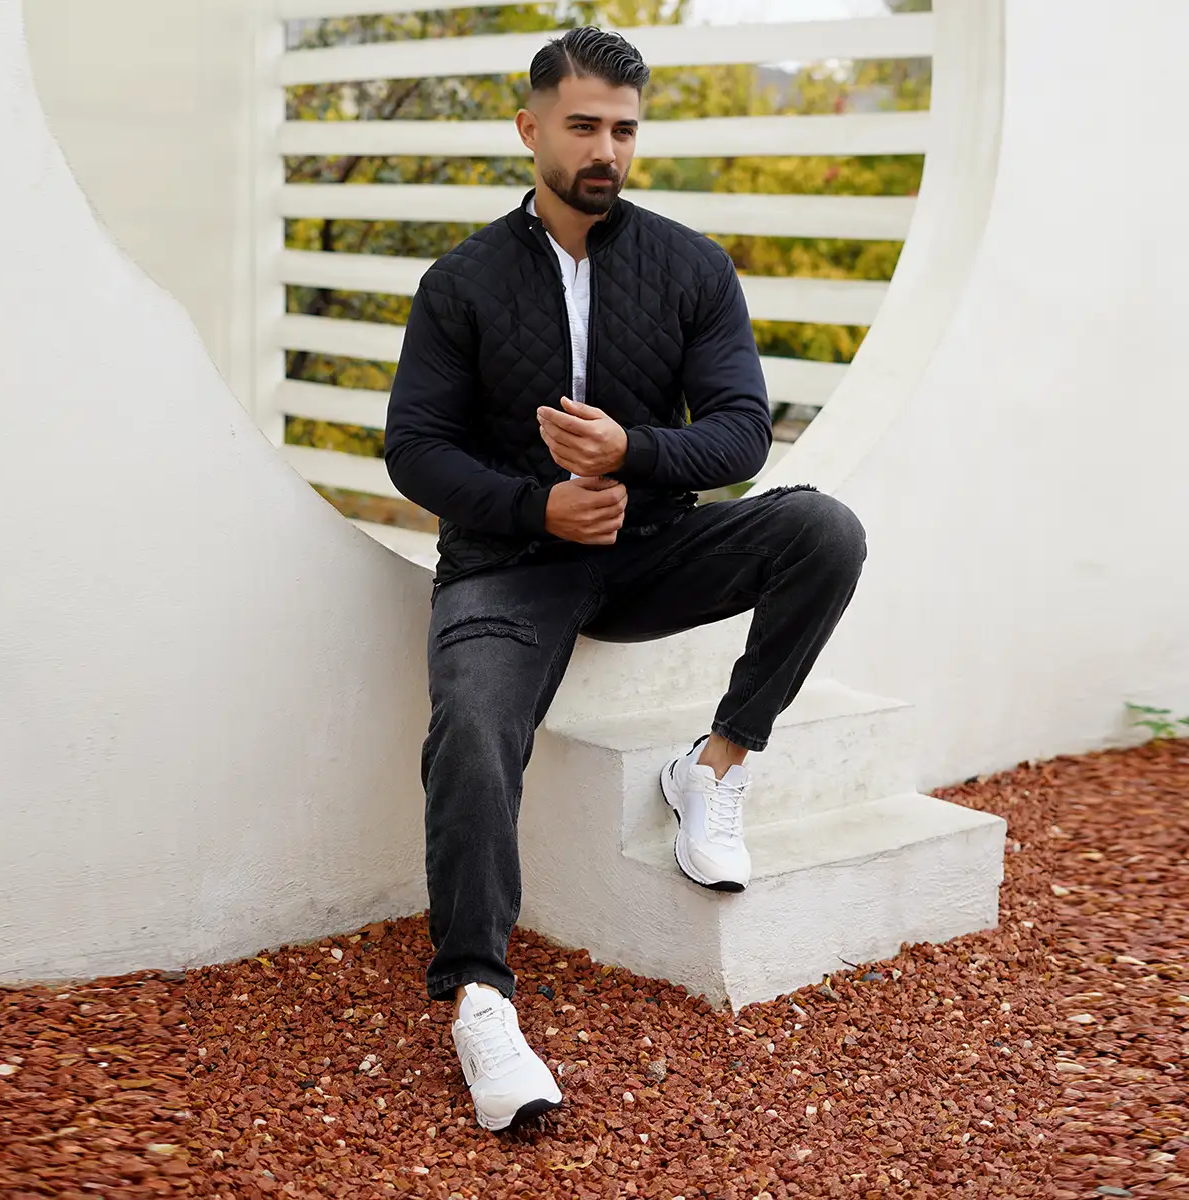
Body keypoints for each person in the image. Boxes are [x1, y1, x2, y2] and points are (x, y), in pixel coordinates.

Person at [382, 26, 867, 1132]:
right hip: (510, 565)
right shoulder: (461, 282)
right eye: (584, 126)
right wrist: (537, 506)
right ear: (531, 129)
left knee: (823, 532)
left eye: (625, 130)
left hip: (650, 549)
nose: (607, 149)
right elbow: (415, 449)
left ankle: (715, 766)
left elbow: (742, 433)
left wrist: (631, 453)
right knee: (471, 725)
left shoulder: (691, 266)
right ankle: (480, 1000)